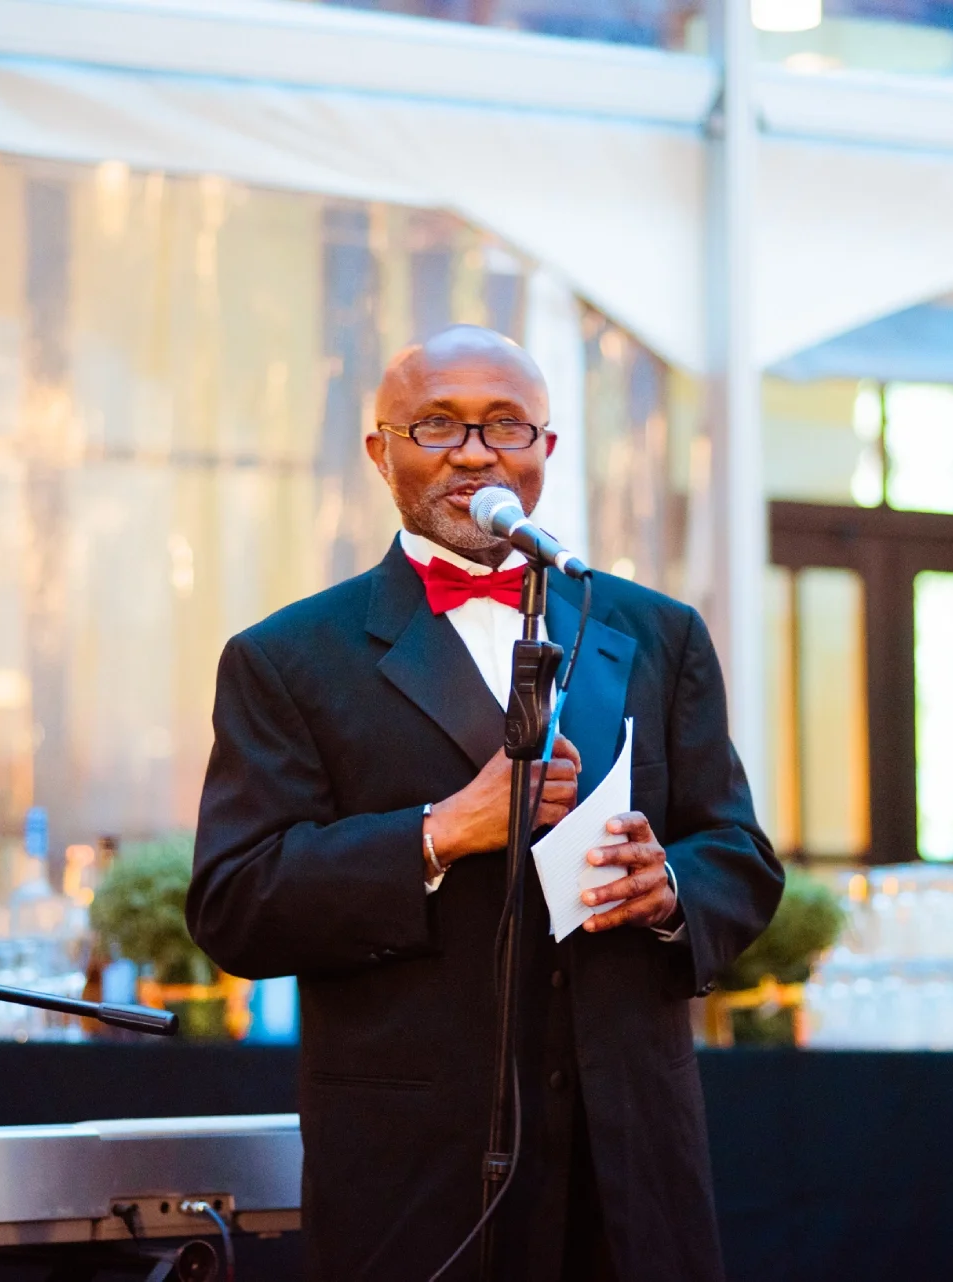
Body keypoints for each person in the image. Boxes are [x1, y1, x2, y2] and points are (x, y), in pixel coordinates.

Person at [188, 325, 783, 1281]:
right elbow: (235, 904)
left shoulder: (658, 632)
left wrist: (668, 885)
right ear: (381, 451)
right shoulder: (288, 657)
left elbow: (740, 858)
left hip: (627, 1162)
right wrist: (436, 835)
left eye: (506, 426)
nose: (473, 451)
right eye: (438, 425)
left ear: (548, 450)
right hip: (417, 1174)